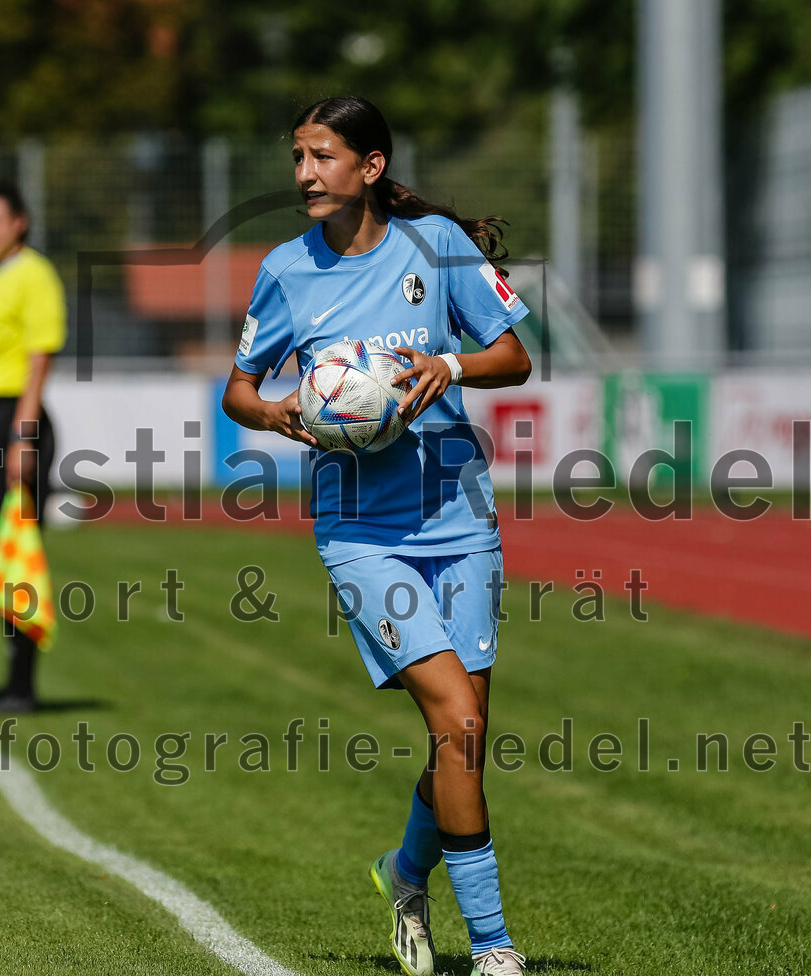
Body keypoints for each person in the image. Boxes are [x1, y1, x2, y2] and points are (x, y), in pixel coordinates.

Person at [222, 97, 532, 976]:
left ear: (369, 166)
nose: (304, 174)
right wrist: (282, 415)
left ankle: (403, 876)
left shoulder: (439, 250)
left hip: (460, 518)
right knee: (459, 718)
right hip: (361, 530)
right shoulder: (286, 269)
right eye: (296, 157)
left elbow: (515, 355)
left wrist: (451, 363)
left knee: (459, 739)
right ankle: (496, 948)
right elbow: (239, 391)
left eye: (321, 155)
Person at [0, 180, 66, 713]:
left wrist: (21, 435)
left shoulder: (34, 274)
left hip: (13, 420)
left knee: (17, 552)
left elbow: (39, 355)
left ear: (19, 221)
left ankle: (23, 685)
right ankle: (13, 678)